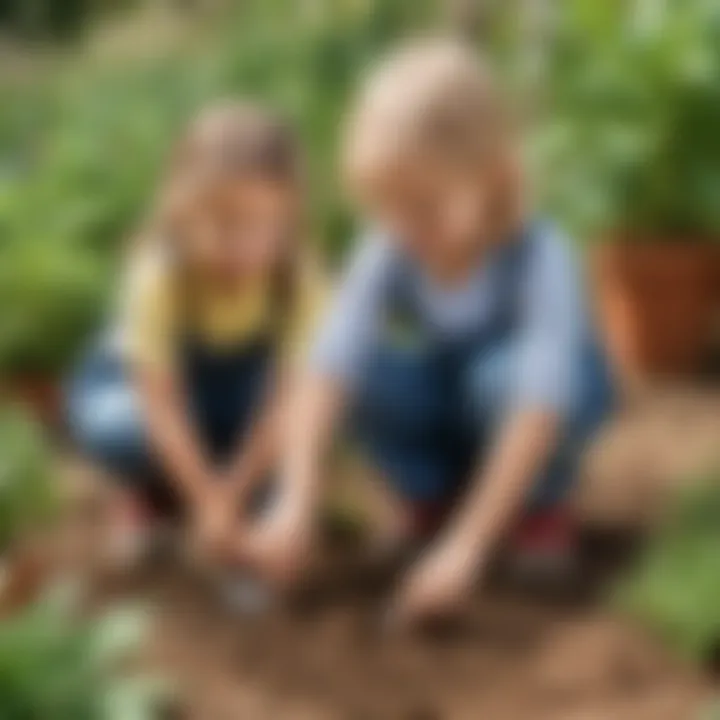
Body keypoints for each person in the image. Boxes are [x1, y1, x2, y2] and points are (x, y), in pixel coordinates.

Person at [247, 39, 615, 626]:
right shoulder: (391, 245)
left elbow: (538, 404)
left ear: (492, 176)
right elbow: (325, 369)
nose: (404, 226)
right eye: (385, 207)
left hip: (526, 416)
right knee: (364, 367)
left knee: (508, 377)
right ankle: (430, 499)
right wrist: (296, 501)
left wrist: (468, 547)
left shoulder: (541, 255)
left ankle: (538, 510)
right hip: (456, 410)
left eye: (425, 205)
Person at [67, 102, 324, 569]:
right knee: (124, 434)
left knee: (275, 469)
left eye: (267, 226)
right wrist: (209, 499)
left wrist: (232, 494)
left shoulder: (298, 280)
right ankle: (145, 493)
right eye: (225, 226)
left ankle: (207, 485)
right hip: (147, 397)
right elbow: (160, 405)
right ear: (183, 212)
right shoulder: (160, 274)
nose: (247, 247)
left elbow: (284, 402)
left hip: (238, 406)